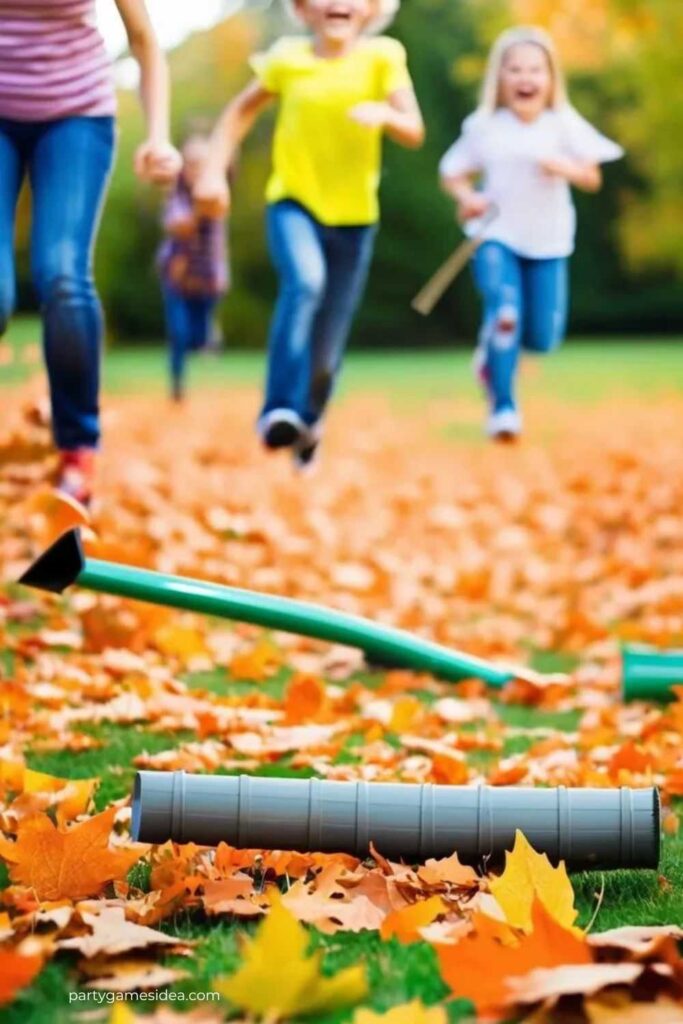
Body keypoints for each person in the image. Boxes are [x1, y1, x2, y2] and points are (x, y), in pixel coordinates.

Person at [195, 0, 424, 470]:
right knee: (305, 283)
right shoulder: (287, 59)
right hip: (293, 204)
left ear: (372, 8)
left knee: (327, 348)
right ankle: (276, 410)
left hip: (356, 219)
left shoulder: (383, 57)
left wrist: (386, 115)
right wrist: (214, 172)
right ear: (303, 8)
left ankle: (309, 424)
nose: (339, 3)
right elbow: (239, 114)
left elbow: (414, 129)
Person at [0, 0, 181, 505]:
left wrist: (160, 137)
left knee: (62, 275)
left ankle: (77, 451)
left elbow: (144, 38)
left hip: (77, 115)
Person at [440, 26, 623, 442]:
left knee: (542, 337)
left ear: (551, 78)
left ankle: (490, 361)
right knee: (505, 314)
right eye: (515, 70)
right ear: (499, 79)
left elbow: (592, 177)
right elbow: (452, 173)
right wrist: (468, 197)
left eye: (535, 70)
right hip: (495, 237)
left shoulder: (563, 124)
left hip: (549, 241)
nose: (526, 79)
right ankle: (503, 408)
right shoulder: (485, 126)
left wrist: (564, 167)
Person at [158, 131, 229, 402]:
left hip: (207, 279)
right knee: (178, 334)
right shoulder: (176, 197)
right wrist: (201, 205)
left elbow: (219, 237)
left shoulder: (220, 193)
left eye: (201, 163)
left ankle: (209, 335)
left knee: (200, 339)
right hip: (177, 276)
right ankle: (177, 388)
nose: (195, 169)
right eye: (190, 163)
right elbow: (180, 226)